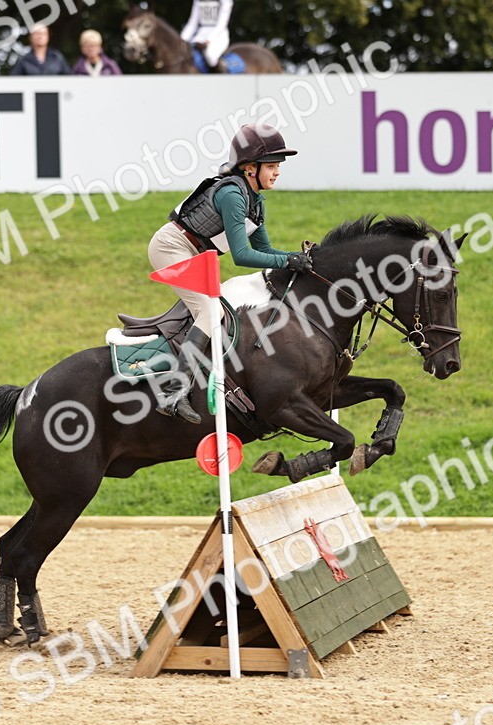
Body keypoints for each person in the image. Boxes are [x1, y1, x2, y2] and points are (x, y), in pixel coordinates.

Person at [147, 123, 312, 423]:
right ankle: (173, 393)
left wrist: (295, 258)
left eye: (278, 167)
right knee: (211, 313)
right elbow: (243, 256)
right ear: (250, 168)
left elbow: (266, 250)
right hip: (171, 247)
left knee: (218, 312)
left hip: (194, 254)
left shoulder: (254, 201)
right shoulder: (234, 197)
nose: (277, 172)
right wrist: (287, 262)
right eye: (272, 166)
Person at [180, 0, 233, 71]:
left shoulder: (225, 1)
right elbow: (193, 23)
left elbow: (222, 24)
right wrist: (182, 39)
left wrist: (208, 40)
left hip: (218, 36)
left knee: (210, 56)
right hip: (200, 35)